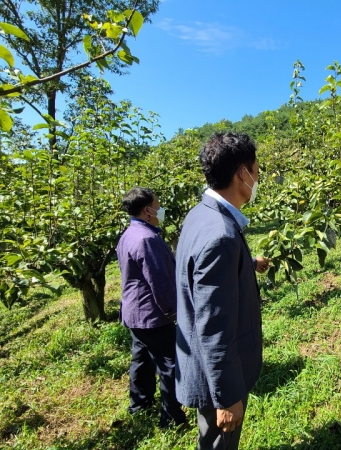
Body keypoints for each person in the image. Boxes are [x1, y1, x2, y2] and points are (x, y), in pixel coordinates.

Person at [175, 132, 270, 450]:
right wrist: (227, 398)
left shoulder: (200, 215)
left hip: (199, 363)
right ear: (243, 173)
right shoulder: (221, 236)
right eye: (256, 170)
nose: (257, 178)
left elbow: (202, 277)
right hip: (216, 380)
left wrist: (247, 262)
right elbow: (214, 326)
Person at [116, 187, 187, 429]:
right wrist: (173, 310)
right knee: (169, 364)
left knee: (142, 359)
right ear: (148, 210)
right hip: (152, 315)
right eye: (158, 206)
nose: (161, 210)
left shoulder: (129, 234)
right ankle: (172, 418)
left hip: (134, 313)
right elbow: (159, 279)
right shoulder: (147, 239)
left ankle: (139, 404)